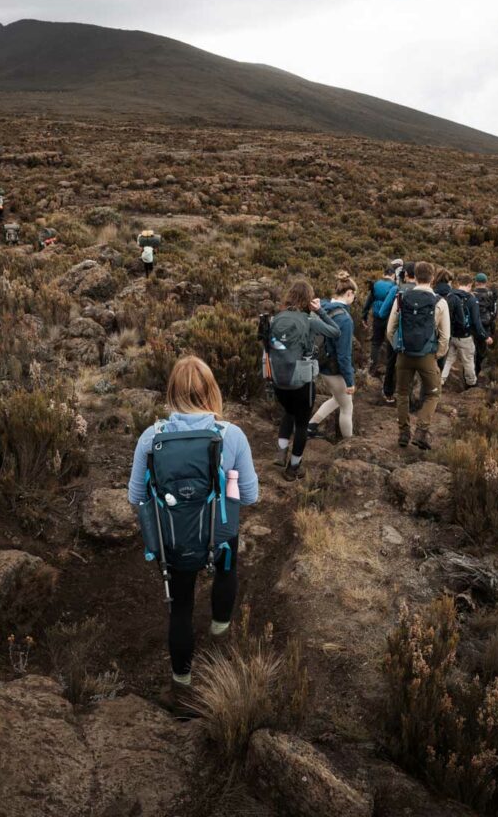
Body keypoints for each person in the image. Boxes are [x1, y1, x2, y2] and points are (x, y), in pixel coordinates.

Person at [126, 356, 259, 689]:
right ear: (211, 390)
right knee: (228, 569)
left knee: (181, 605)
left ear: (171, 391)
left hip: (174, 540)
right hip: (218, 535)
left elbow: (135, 497)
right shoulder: (232, 435)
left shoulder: (150, 437)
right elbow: (250, 496)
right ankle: (219, 629)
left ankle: (181, 681)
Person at [265, 279, 341, 481]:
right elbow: (335, 331)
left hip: (278, 379)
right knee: (301, 423)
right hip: (302, 381)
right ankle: (293, 468)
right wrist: (321, 311)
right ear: (308, 299)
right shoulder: (309, 321)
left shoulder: (276, 319)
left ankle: (281, 453)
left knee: (288, 412)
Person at [386, 261, 449, 450]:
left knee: (402, 393)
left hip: (404, 354)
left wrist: (398, 346)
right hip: (427, 355)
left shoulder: (401, 296)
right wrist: (437, 355)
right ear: (432, 278)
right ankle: (421, 431)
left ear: (413, 275)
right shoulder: (440, 302)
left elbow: (390, 329)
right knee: (433, 392)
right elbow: (445, 336)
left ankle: (403, 433)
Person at [308, 273, 357, 441]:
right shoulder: (344, 319)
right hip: (334, 369)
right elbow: (343, 354)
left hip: (321, 364)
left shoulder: (323, 307)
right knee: (347, 407)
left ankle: (311, 426)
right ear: (349, 293)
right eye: (354, 296)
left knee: (337, 399)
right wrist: (350, 381)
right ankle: (349, 444)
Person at [374, 261, 415, 404]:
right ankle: (411, 396)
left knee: (391, 362)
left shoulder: (396, 290)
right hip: (418, 337)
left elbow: (382, 312)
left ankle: (389, 393)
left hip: (397, 333)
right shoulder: (428, 293)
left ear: (405, 274)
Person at [441, 276, 492, 390]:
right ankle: (471, 383)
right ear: (469, 285)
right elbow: (476, 322)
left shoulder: (450, 296)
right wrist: (485, 336)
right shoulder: (471, 299)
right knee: (468, 360)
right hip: (465, 336)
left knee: (449, 359)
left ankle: (442, 379)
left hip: (452, 334)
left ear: (459, 282)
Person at [360, 259, 403, 377]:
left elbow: (369, 301)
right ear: (393, 275)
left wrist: (364, 316)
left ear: (384, 274)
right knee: (389, 342)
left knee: (375, 343)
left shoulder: (376, 284)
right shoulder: (395, 286)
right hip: (390, 317)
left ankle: (372, 368)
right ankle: (388, 368)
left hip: (377, 316)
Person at [472, 272, 498, 374]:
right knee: (482, 351)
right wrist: (490, 321)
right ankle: (478, 371)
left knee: (471, 350)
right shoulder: (491, 295)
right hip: (486, 326)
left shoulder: (471, 294)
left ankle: (471, 372)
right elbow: (495, 311)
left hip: (473, 327)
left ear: (476, 282)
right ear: (486, 282)